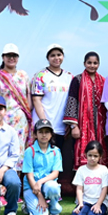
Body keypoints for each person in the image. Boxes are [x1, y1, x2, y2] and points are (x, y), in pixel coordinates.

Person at [31, 44, 74, 191]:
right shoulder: (41, 76)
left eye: (59, 55)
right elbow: (36, 100)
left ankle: (52, 190)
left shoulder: (69, 77)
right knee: (40, 158)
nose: (56, 58)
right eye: (53, 55)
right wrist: (44, 123)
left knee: (55, 160)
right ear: (48, 58)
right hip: (44, 126)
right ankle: (36, 188)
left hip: (61, 126)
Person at [0, 43, 32, 173]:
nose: (11, 58)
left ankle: (15, 185)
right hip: (2, 121)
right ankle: (1, 185)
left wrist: (29, 116)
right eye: (8, 55)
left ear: (17, 58)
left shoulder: (23, 76)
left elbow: (28, 98)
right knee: (2, 151)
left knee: (18, 151)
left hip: (21, 122)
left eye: (14, 56)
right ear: (3, 57)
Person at [64, 51, 108, 169]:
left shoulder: (103, 81)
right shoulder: (77, 80)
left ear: (99, 64)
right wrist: (74, 126)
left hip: (100, 126)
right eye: (89, 63)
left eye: (95, 63)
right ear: (84, 63)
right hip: (82, 125)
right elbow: (72, 101)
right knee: (81, 149)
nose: (92, 65)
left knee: (100, 149)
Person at [23, 119, 63, 215]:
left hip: (46, 185)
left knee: (53, 187)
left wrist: (40, 182)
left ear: (51, 135)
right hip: (32, 187)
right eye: (40, 132)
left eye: (47, 132)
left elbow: (55, 173)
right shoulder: (29, 151)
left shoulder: (55, 151)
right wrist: (39, 196)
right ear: (35, 134)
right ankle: (29, 205)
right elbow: (29, 176)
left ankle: (54, 209)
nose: (44, 135)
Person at [70, 140, 108, 215]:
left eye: (95, 156)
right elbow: (79, 189)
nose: (92, 158)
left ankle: (104, 211)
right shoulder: (81, 170)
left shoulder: (104, 170)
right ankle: (86, 211)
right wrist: (80, 203)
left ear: (100, 156)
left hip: (99, 201)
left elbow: (104, 189)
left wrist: (98, 204)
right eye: (90, 155)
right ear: (85, 155)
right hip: (85, 201)